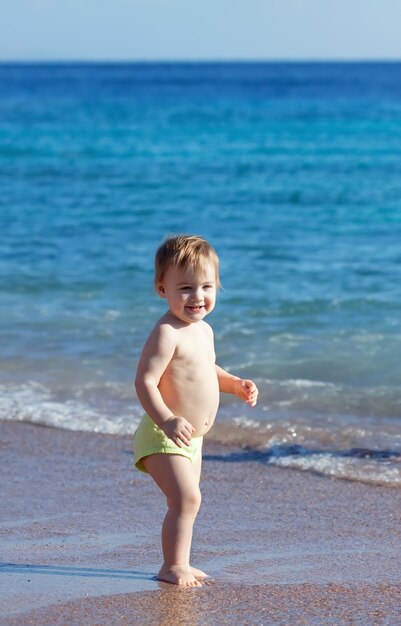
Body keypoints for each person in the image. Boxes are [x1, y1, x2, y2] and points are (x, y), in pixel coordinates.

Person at [134, 235, 258, 587]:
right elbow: (144, 381)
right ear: (162, 289)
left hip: (193, 439)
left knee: (189, 502)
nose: (198, 297)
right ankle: (172, 566)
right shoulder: (166, 333)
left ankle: (181, 562)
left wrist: (234, 384)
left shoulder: (204, 330)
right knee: (186, 497)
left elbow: (207, 370)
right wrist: (167, 420)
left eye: (207, 286)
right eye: (185, 288)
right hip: (163, 432)